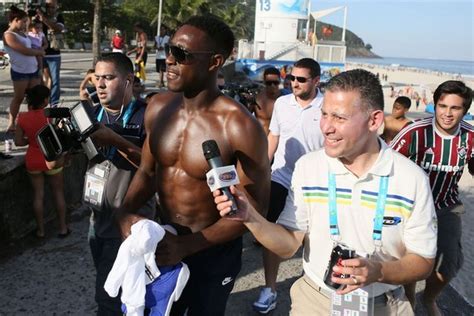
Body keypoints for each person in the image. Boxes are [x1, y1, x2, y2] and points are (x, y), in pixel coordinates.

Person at [214, 69, 437, 316]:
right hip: (315, 301)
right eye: (323, 114)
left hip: (384, 305)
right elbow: (288, 245)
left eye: (339, 118)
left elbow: (424, 261)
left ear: (374, 121)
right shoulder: (309, 167)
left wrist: (379, 271)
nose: (326, 127)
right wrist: (250, 217)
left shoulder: (411, 178)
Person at [116, 15, 270, 315]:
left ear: (214, 62)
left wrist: (189, 246)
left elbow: (256, 209)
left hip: (213, 253)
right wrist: (125, 212)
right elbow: (148, 171)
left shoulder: (239, 127)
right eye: (170, 50)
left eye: (182, 55)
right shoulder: (158, 107)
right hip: (164, 242)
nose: (169, 60)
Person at [80, 53, 155, 315]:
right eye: (97, 77)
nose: (100, 84)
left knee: (109, 298)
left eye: (109, 78)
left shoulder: (147, 116)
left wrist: (114, 140)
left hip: (129, 223)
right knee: (112, 286)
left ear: (128, 81)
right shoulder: (89, 113)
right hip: (97, 220)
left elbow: (153, 166)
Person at [391, 80, 473, 315]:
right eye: (442, 105)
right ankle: (410, 301)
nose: (447, 113)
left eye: (455, 108)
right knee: (411, 259)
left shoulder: (470, 136)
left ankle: (429, 298)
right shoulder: (415, 131)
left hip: (447, 206)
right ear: (434, 105)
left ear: (465, 111)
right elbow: (387, 161)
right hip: (411, 208)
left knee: (449, 265)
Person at [253, 58, 324, 314]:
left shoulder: (326, 107)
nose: (294, 83)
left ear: (316, 80)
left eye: (301, 79)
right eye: (291, 78)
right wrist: (263, 168)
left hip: (315, 183)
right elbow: (274, 136)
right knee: (273, 234)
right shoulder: (282, 103)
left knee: (313, 239)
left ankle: (312, 288)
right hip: (281, 177)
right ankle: (270, 288)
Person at [14, 84, 69, 238]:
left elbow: (18, 142)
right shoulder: (49, 115)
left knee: (38, 195)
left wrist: (32, 141)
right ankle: (63, 228)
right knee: (58, 193)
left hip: (33, 160)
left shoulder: (22, 117)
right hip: (51, 158)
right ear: (45, 100)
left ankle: (40, 231)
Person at [2, 5, 44, 132]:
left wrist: (40, 66)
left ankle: (34, 122)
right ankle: (11, 123)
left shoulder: (23, 34)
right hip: (20, 71)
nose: (26, 24)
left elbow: (34, 48)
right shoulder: (8, 35)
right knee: (18, 97)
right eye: (24, 21)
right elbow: (24, 51)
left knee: (35, 99)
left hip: (33, 70)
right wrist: (39, 52)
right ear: (16, 20)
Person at [36, 0, 65, 107]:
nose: (50, 9)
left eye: (53, 7)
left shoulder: (59, 16)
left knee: (55, 81)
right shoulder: (38, 15)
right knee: (40, 80)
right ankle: (40, 103)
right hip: (40, 52)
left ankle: (54, 105)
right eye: (48, 6)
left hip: (54, 54)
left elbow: (57, 28)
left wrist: (44, 19)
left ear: (57, 6)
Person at [253, 67, 284, 135]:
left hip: (280, 141)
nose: (272, 86)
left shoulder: (286, 99)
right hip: (262, 140)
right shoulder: (257, 98)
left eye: (275, 83)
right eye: (269, 83)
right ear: (264, 82)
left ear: (280, 81)